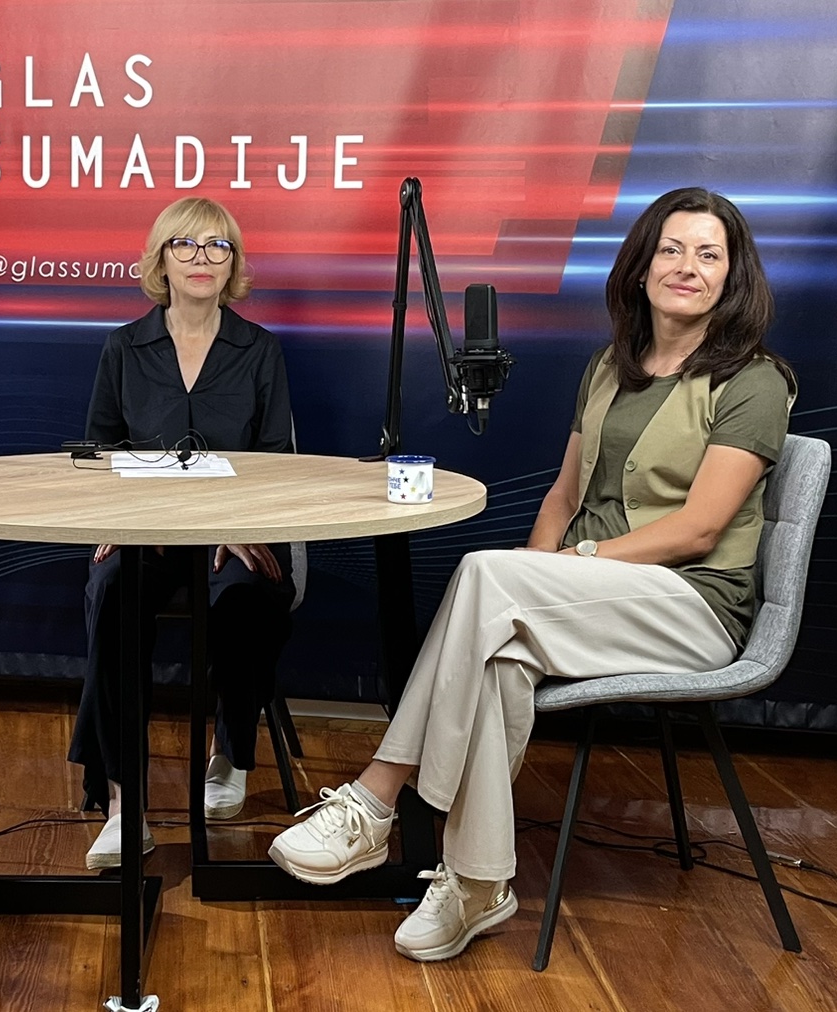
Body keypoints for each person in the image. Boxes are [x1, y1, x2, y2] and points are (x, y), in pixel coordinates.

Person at [266, 186, 795, 962]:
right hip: (594, 599)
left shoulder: (754, 380)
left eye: (708, 254)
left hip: (693, 607)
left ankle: (376, 797)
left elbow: (700, 528)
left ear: (732, 276)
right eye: (672, 249)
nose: (687, 266)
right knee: (500, 658)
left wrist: (561, 566)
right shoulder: (610, 367)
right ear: (641, 267)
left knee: (489, 576)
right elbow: (563, 496)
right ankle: (478, 884)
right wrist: (539, 571)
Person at [70, 197, 297, 868]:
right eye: (185, 244)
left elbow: (276, 461)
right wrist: (124, 520)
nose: (202, 258)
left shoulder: (260, 350)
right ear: (161, 259)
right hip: (149, 530)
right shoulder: (123, 347)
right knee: (112, 588)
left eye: (217, 246)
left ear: (233, 264)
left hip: (236, 532)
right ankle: (123, 804)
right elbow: (98, 454)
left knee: (247, 594)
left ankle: (229, 752)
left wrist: (238, 523)